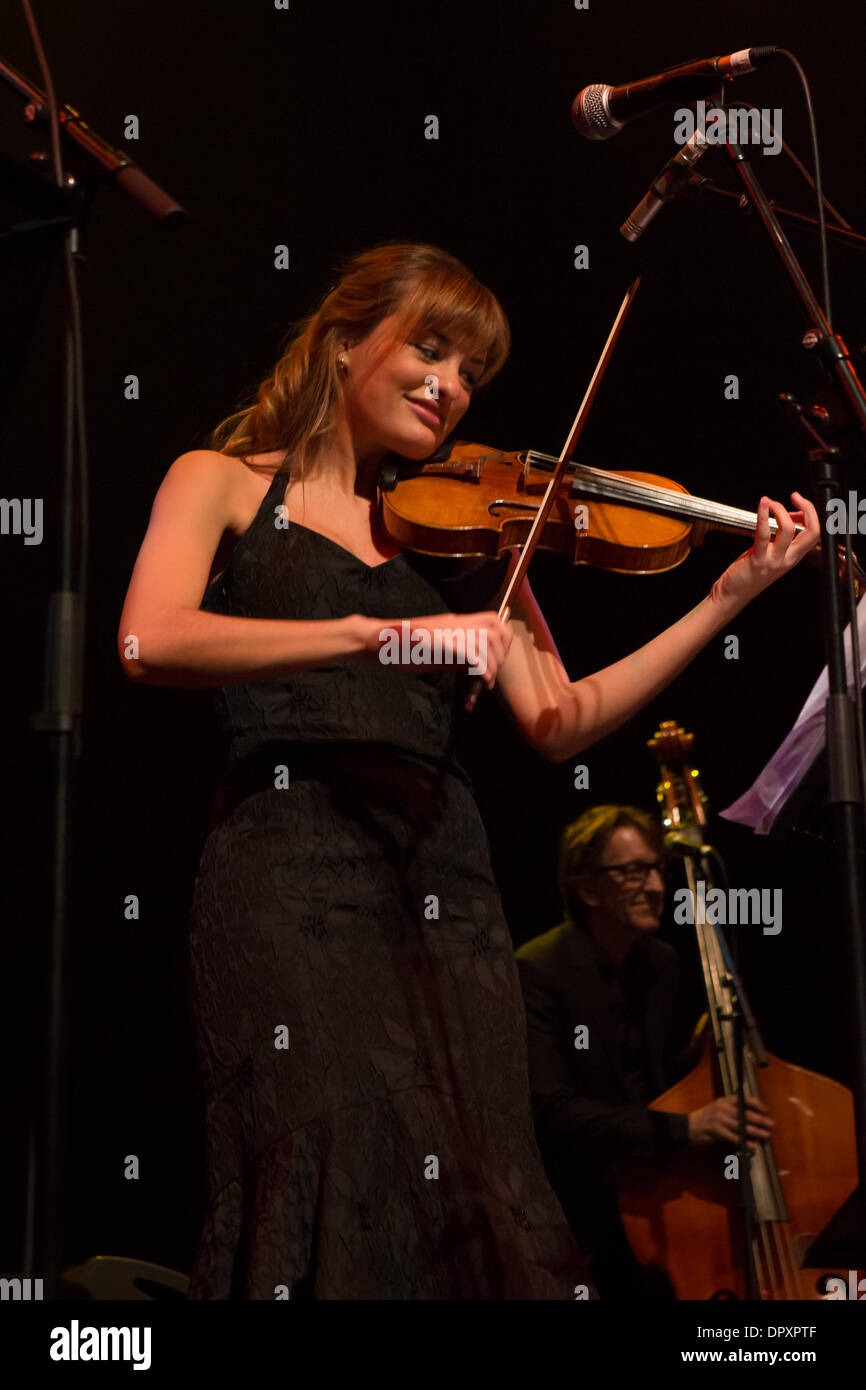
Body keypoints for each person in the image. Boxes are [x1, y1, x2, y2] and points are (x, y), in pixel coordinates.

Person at [117, 241, 815, 1300]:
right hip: (288, 865)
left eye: (471, 372)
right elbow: (150, 640)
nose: (449, 387)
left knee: (471, 1178)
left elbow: (562, 719)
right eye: (430, 350)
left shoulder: (470, 535)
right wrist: (367, 636)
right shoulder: (222, 483)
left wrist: (727, 595)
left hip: (445, 887)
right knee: (329, 1142)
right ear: (345, 341)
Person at [515, 805, 774, 1299]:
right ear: (588, 887)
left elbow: (648, 1080)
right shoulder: (538, 970)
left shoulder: (661, 963)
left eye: (658, 869)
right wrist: (687, 1127)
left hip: (655, 1188)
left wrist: (695, 1058)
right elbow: (549, 1110)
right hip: (581, 1208)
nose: (656, 887)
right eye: (634, 872)